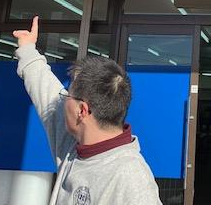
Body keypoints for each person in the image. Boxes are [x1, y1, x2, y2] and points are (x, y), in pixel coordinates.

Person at [13, 16, 162, 205]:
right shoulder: (74, 143)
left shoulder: (132, 179)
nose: (62, 100)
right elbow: (46, 91)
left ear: (82, 111)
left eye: (67, 96)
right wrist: (27, 50)